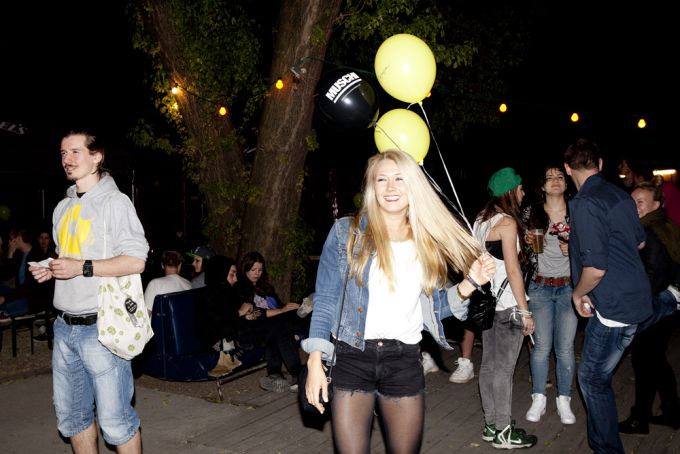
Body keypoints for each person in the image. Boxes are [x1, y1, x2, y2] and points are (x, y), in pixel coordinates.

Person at [301, 150, 496, 453]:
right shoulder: (347, 233)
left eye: (399, 179)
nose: (390, 187)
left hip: (403, 360)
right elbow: (325, 299)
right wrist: (315, 360)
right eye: (382, 179)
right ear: (372, 186)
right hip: (352, 358)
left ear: (413, 185)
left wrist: (470, 282)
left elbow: (430, 310)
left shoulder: (427, 241)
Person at [29, 129, 148, 453]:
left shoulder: (115, 202)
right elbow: (68, 256)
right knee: (73, 419)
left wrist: (80, 267)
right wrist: (51, 267)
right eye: (63, 153)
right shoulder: (62, 207)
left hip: (102, 328)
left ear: (97, 157)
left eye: (75, 152)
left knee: (117, 422)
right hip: (63, 328)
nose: (66, 159)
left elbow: (136, 261)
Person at [563, 138, 653, 454]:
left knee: (591, 379)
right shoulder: (620, 195)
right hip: (635, 299)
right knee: (597, 377)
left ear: (567, 168)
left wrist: (578, 294)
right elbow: (639, 242)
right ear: (599, 164)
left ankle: (607, 449)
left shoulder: (585, 203)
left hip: (614, 307)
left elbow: (596, 269)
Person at [474, 167, 538, 449]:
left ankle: (491, 425)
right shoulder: (508, 223)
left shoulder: (481, 220)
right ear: (510, 191)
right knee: (504, 371)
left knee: (488, 366)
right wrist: (525, 311)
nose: (523, 193)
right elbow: (513, 270)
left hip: (489, 305)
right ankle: (503, 431)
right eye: (521, 188)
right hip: (509, 306)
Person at [618, 182, 680, 434]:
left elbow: (653, 278)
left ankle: (639, 418)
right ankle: (672, 411)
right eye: (631, 202)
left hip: (654, 307)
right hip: (667, 306)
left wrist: (632, 305)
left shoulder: (650, 232)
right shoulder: (662, 226)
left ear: (657, 204)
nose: (635, 207)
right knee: (656, 360)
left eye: (640, 202)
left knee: (644, 361)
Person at [523, 165, 577, 425]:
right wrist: (525, 243)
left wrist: (573, 248)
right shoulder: (531, 212)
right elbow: (523, 252)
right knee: (541, 346)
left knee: (565, 348)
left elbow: (593, 247)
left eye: (560, 177)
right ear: (542, 186)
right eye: (549, 177)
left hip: (569, 287)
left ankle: (564, 400)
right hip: (540, 286)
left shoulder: (576, 212)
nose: (555, 180)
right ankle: (539, 397)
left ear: (566, 184)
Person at [237, 251, 307, 392]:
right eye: (253, 270)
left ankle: (276, 375)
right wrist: (281, 311)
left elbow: (279, 307)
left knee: (283, 326)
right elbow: (254, 313)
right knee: (280, 329)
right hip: (254, 329)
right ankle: (296, 374)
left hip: (273, 325)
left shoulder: (266, 288)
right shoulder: (240, 288)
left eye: (260, 270)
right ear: (245, 269)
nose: (257, 273)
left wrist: (289, 308)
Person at [195, 255, 251, 377]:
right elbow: (216, 321)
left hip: (230, 333)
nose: (235, 279)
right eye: (232, 274)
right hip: (214, 340)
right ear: (220, 274)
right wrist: (239, 313)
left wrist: (247, 313)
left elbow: (236, 309)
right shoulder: (209, 295)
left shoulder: (228, 291)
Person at [143, 250, 192, 314]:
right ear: (180, 265)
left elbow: (146, 314)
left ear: (162, 265)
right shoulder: (188, 284)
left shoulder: (155, 284)